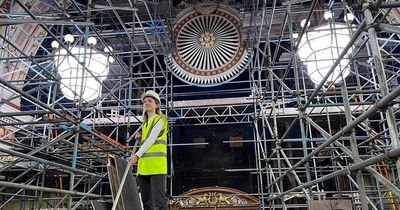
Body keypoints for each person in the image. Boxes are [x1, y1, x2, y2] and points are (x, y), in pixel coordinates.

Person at [129, 90, 168, 210]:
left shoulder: (160, 120)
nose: (146, 103)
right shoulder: (145, 124)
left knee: (159, 203)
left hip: (157, 167)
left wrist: (136, 155)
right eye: (144, 101)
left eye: (150, 101)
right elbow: (146, 143)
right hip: (144, 167)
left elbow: (151, 140)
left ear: (156, 105)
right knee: (146, 204)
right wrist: (140, 139)